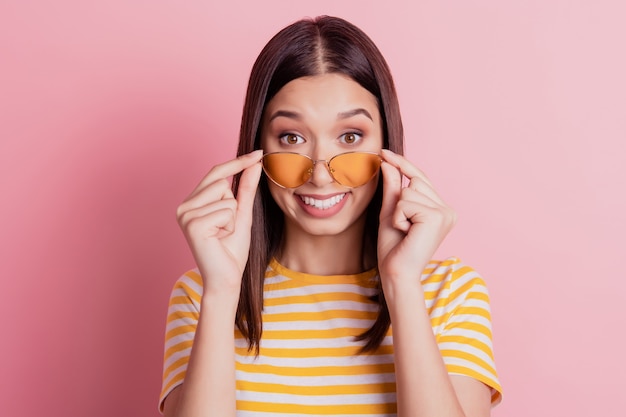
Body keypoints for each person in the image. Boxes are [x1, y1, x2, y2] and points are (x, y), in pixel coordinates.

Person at [159, 15, 502, 417]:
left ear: (385, 145)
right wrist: (221, 291)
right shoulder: (202, 295)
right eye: (291, 137)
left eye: (351, 137)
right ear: (258, 149)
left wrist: (402, 285)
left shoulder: (451, 294)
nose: (320, 175)